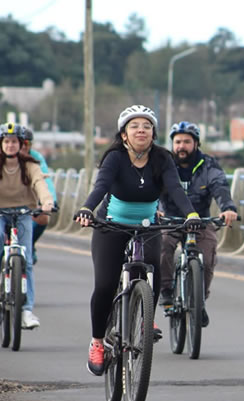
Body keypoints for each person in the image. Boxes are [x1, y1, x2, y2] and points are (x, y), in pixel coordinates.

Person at [74, 105, 199, 377]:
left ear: (153, 133)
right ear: (124, 134)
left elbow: (175, 188)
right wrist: (86, 208)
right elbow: (102, 186)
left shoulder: (162, 158)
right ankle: (97, 343)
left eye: (146, 125)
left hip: (147, 225)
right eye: (134, 126)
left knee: (153, 269)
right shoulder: (115, 158)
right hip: (111, 224)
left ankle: (145, 318)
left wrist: (190, 213)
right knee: (105, 284)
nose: (141, 130)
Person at [0, 122, 54, 329]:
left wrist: (46, 202)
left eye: (14, 142)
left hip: (22, 212)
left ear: (21, 144)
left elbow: (40, 184)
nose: (10, 145)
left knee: (25, 260)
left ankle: (26, 311)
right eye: (6, 142)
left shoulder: (30, 164)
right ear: (1, 144)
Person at [159, 121, 238, 327]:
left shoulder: (208, 165)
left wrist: (228, 208)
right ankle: (166, 290)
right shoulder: (164, 162)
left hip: (201, 220)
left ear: (196, 143)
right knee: (164, 243)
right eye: (177, 142)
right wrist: (155, 210)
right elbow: (154, 187)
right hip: (170, 219)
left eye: (186, 141)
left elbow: (220, 187)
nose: (181, 146)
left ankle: (198, 301)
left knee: (209, 253)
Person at [19, 126, 58, 264]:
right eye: (20, 143)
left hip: (31, 198)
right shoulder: (5, 158)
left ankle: (30, 244)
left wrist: (51, 200)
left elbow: (46, 179)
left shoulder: (36, 158)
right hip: (8, 200)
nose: (23, 147)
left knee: (43, 218)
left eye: (27, 144)